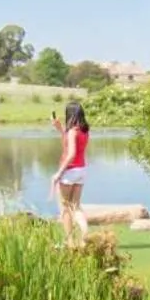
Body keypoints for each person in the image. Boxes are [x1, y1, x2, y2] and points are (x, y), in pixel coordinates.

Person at [50, 101, 90, 247]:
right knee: (76, 206)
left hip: (69, 171)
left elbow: (71, 153)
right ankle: (85, 234)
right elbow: (68, 144)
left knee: (64, 208)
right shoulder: (83, 131)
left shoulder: (72, 132)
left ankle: (70, 241)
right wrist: (60, 129)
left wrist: (59, 173)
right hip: (81, 171)